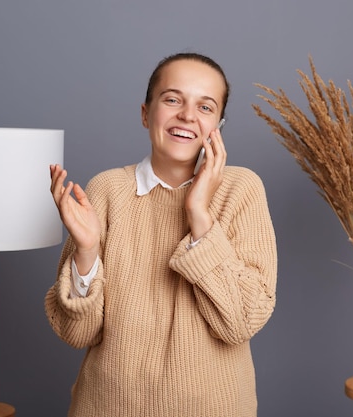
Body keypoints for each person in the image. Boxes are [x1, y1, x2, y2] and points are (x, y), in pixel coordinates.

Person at [45, 52, 277, 417]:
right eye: (172, 99)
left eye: (205, 107)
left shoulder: (241, 189)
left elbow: (241, 322)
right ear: (145, 112)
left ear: (217, 124)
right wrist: (87, 252)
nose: (187, 115)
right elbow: (77, 334)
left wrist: (198, 214)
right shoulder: (106, 189)